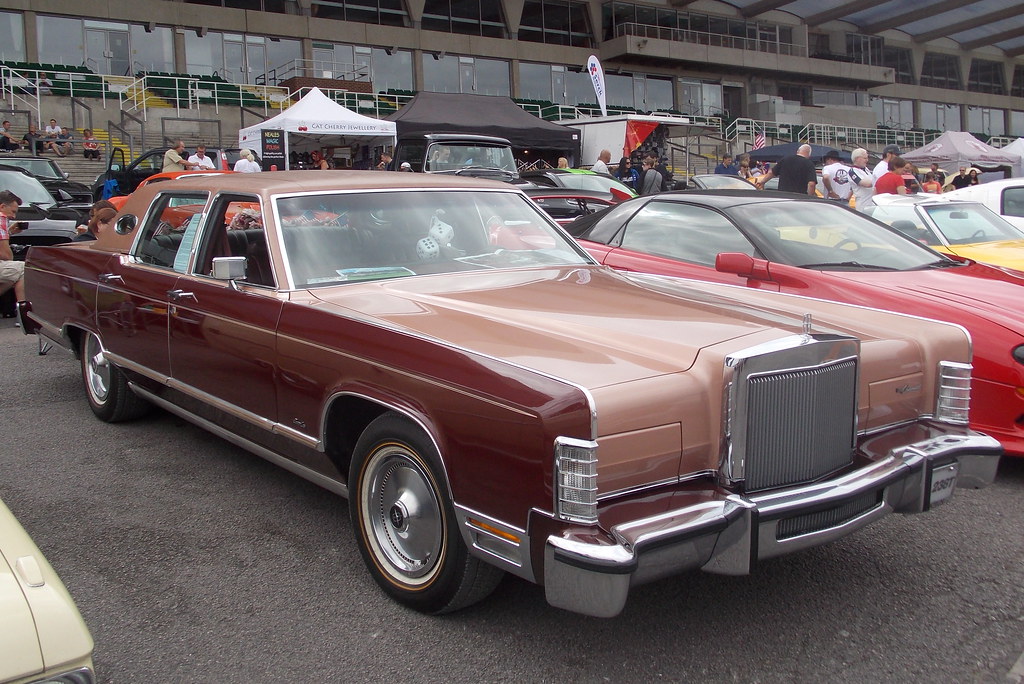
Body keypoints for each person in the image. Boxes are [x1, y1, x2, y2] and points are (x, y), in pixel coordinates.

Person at [0, 190, 26, 303]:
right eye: (13, 211)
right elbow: (6, 256)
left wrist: (9, 232)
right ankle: (23, 313)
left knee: (13, 273)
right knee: (26, 268)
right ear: (2, 206)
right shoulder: (1, 218)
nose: (13, 216)